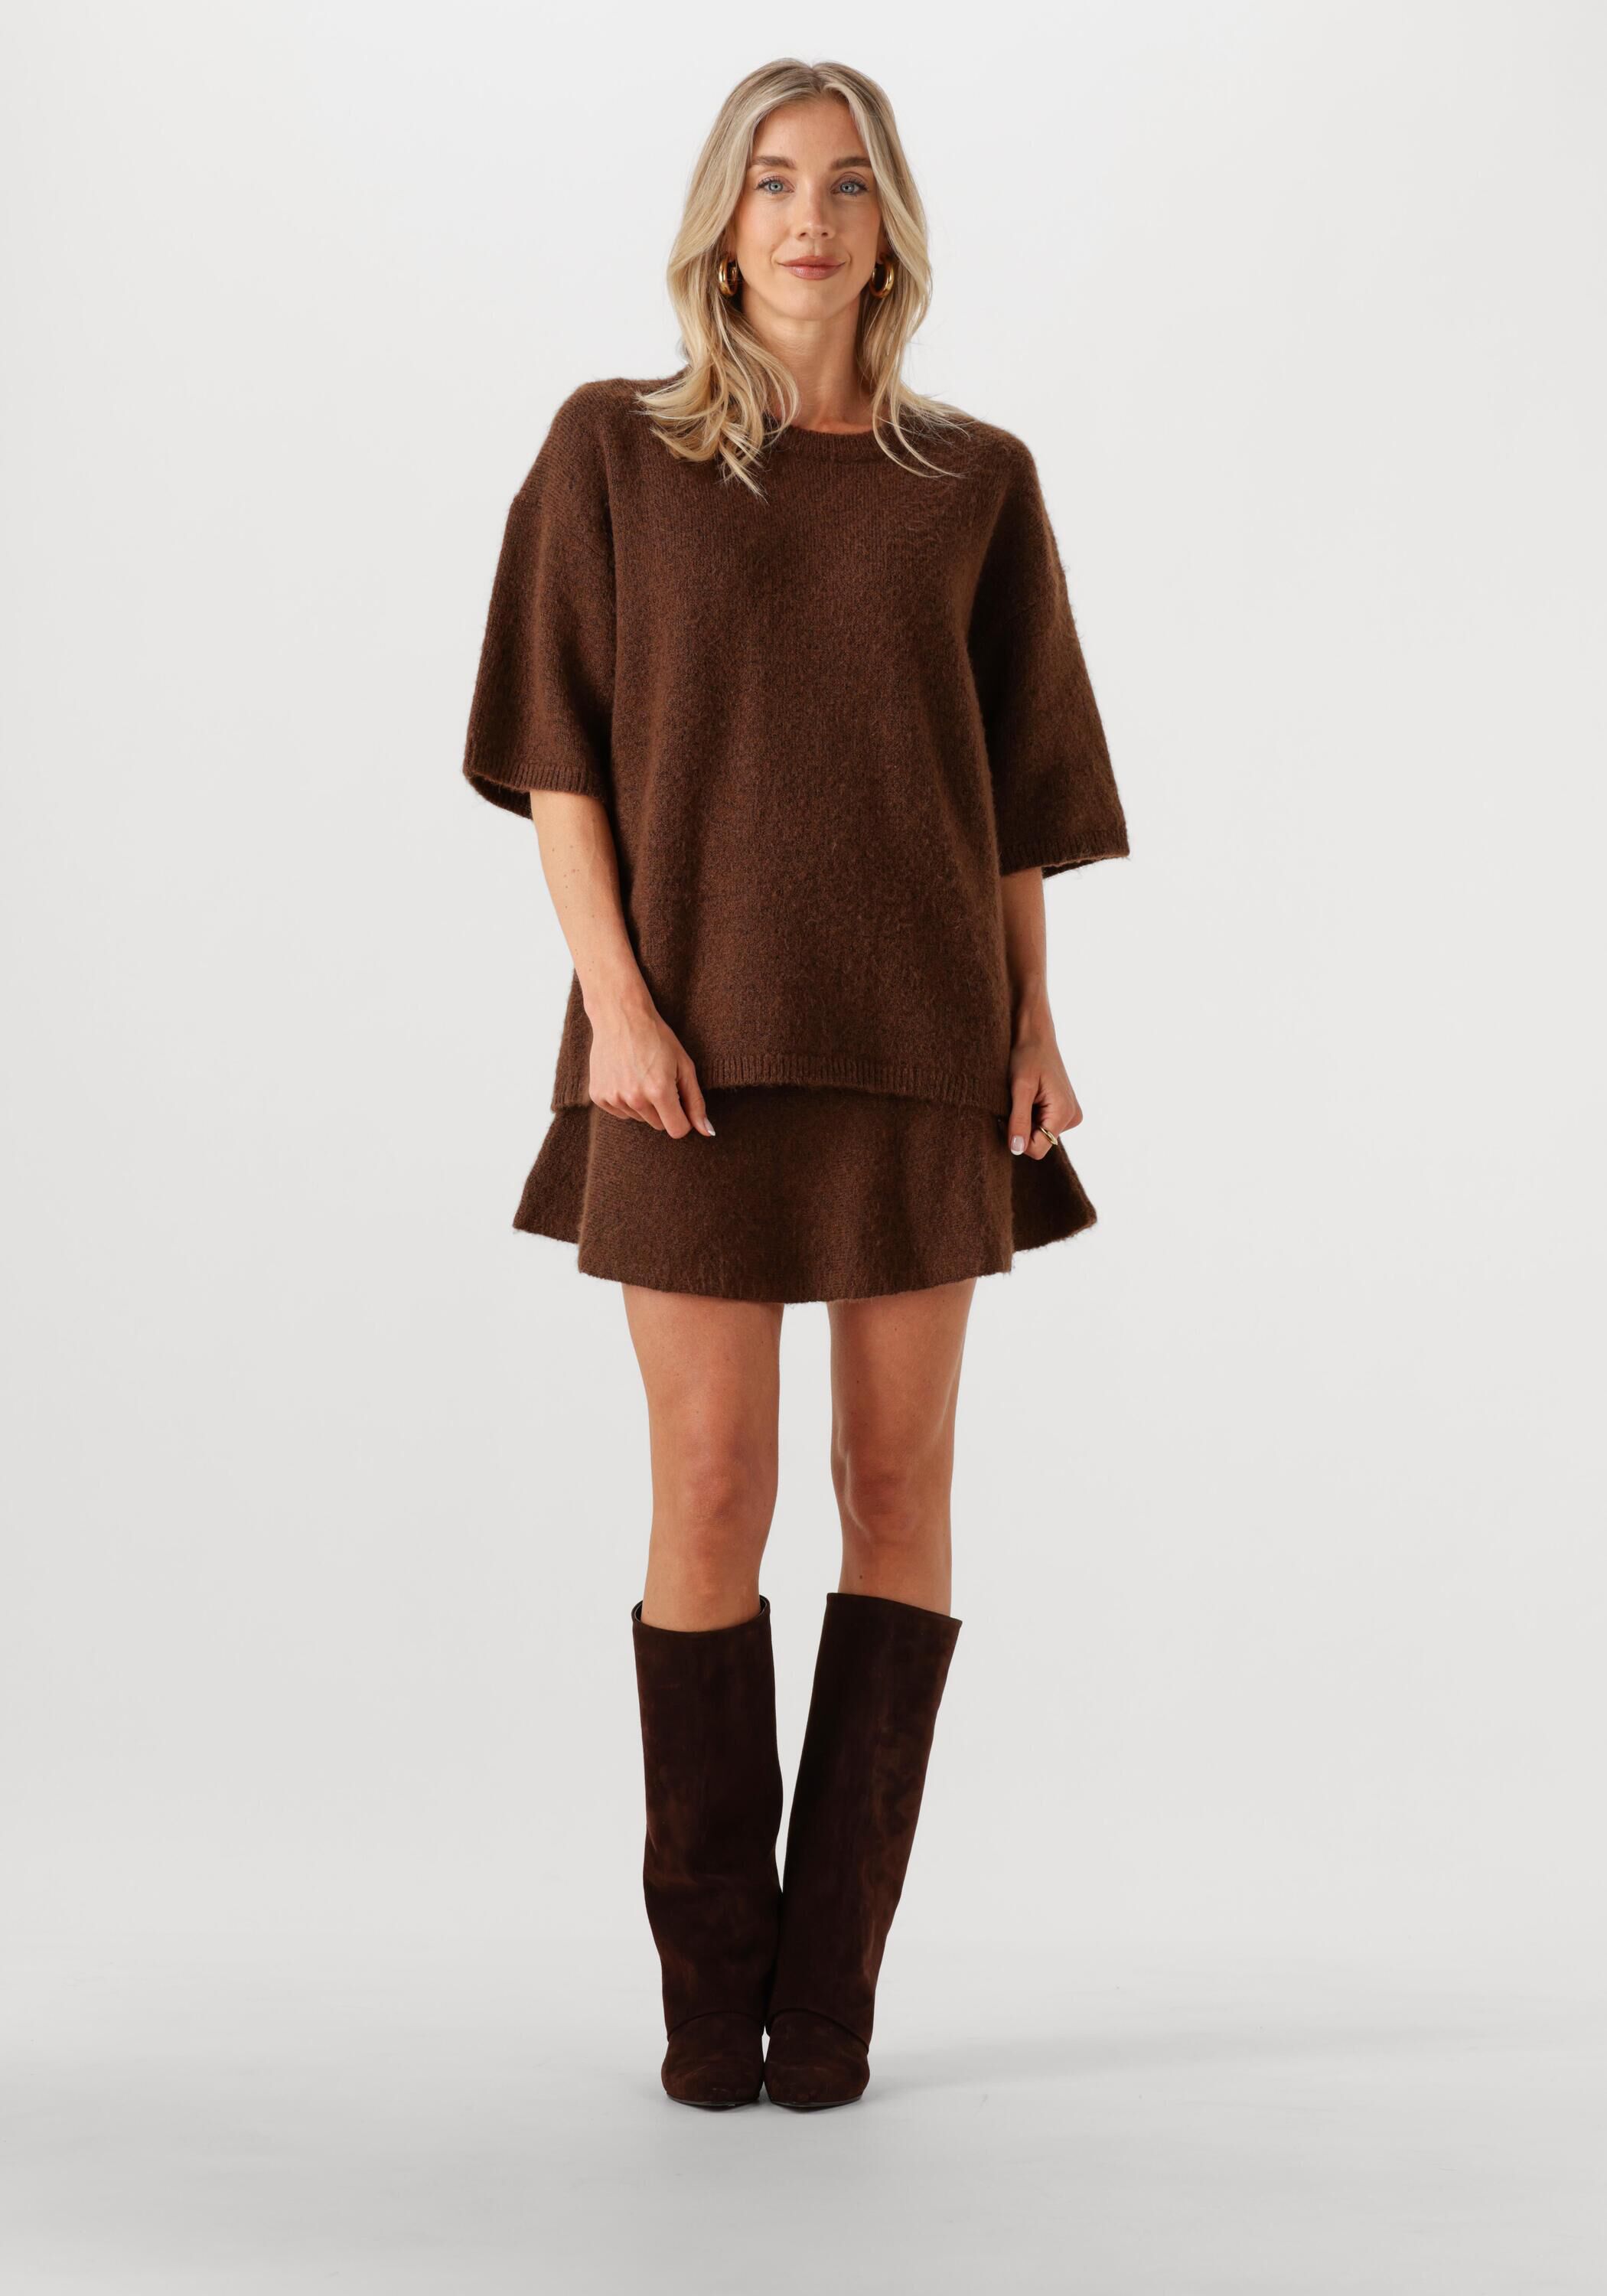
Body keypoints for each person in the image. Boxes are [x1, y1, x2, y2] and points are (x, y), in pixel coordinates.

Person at [458, 57, 1130, 2111]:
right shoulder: (613, 449)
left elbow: (1013, 788)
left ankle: (825, 1999)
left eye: (844, 185)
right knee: (711, 1486)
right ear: (719, 220)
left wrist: (1034, 1016)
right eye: (770, 183)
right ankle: (707, 2000)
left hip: (921, 1039)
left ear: (887, 222)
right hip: (682, 1055)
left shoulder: (976, 479)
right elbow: (558, 757)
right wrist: (617, 1005)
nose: (808, 220)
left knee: (897, 1488)